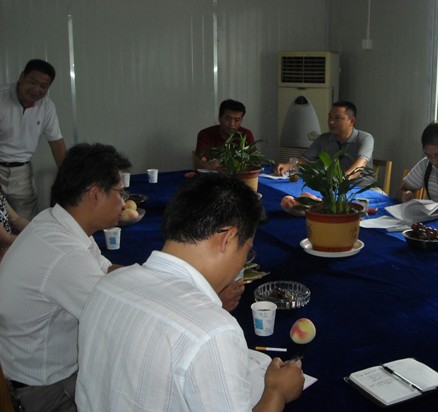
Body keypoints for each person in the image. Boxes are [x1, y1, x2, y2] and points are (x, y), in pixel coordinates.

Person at [75, 173, 304, 411]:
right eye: (246, 251)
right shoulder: (213, 331)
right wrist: (277, 392)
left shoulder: (109, 285)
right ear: (227, 239)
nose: (241, 264)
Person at [0, 143, 131, 412]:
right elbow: (118, 320)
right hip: (44, 390)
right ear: (95, 194)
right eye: (120, 193)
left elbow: (106, 270)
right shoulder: (64, 253)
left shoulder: (56, 221)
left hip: (36, 370)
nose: (123, 203)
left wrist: (155, 278)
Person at [0, 59, 67, 220]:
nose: (36, 89)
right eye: (32, 82)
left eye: (43, 86)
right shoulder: (2, 98)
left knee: (25, 219)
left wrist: (68, 177)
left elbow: (56, 143)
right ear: (22, 77)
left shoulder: (46, 106)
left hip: (21, 171)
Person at [274, 100, 375, 187]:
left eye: (337, 118)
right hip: (334, 188)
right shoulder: (324, 139)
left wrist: (341, 179)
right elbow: (304, 159)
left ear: (351, 121)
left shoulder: (365, 138)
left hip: (362, 189)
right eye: (330, 117)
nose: (331, 122)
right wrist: (288, 165)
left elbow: (359, 166)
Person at [195, 99, 255, 169]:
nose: (232, 124)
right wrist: (208, 165)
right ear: (219, 118)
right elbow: (199, 162)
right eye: (228, 119)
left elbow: (254, 160)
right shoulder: (205, 134)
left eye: (237, 120)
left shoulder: (246, 134)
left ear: (241, 120)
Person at [0, 190, 29, 262]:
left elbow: (17, 219)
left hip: (9, 246)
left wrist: (34, 228)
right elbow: (7, 239)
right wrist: (32, 240)